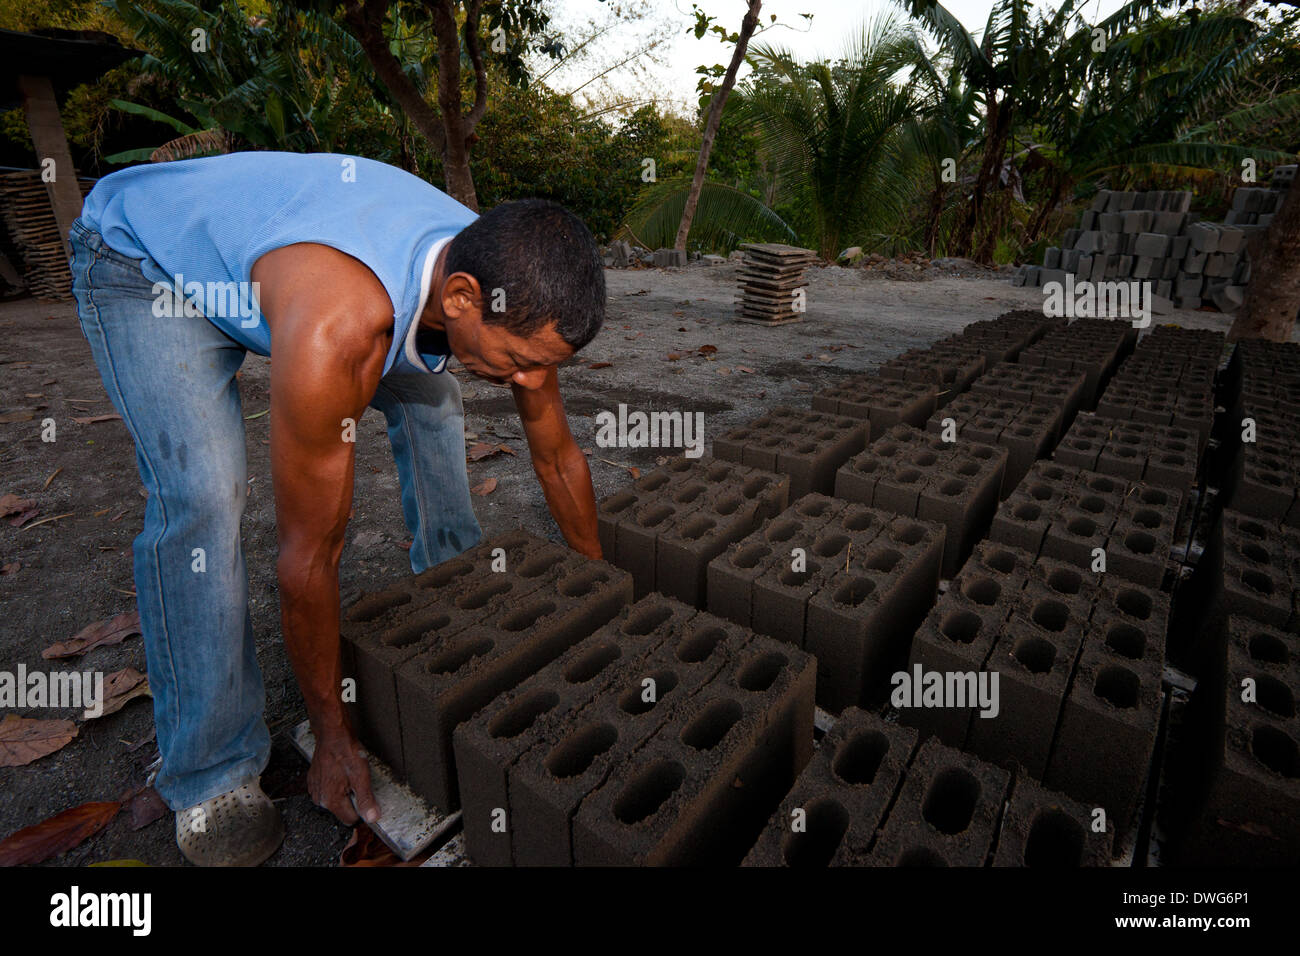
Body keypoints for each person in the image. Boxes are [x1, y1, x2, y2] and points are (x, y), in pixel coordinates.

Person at [68, 151, 605, 865]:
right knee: (203, 495)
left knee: (436, 404)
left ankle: (456, 588)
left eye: (545, 364)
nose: (532, 381)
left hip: (286, 265)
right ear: (462, 297)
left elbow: (558, 456)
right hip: (148, 264)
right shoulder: (341, 331)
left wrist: (603, 584)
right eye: (520, 360)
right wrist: (333, 734)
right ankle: (210, 770)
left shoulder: (509, 277)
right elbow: (309, 555)